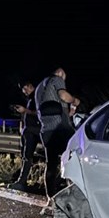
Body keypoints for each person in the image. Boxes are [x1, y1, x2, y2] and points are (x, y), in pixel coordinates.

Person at [34, 67, 81, 197]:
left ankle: (51, 197)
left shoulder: (39, 88)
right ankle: (73, 193)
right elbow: (63, 96)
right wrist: (74, 100)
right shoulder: (57, 79)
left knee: (52, 164)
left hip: (46, 130)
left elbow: (52, 105)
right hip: (61, 128)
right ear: (60, 72)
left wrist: (69, 111)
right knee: (73, 158)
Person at [9, 80, 41, 191]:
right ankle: (21, 180)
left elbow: (39, 112)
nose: (24, 92)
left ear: (30, 86)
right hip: (29, 131)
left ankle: (22, 182)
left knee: (28, 156)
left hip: (35, 131)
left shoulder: (38, 96)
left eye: (25, 89)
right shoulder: (32, 98)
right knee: (25, 156)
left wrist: (25, 110)